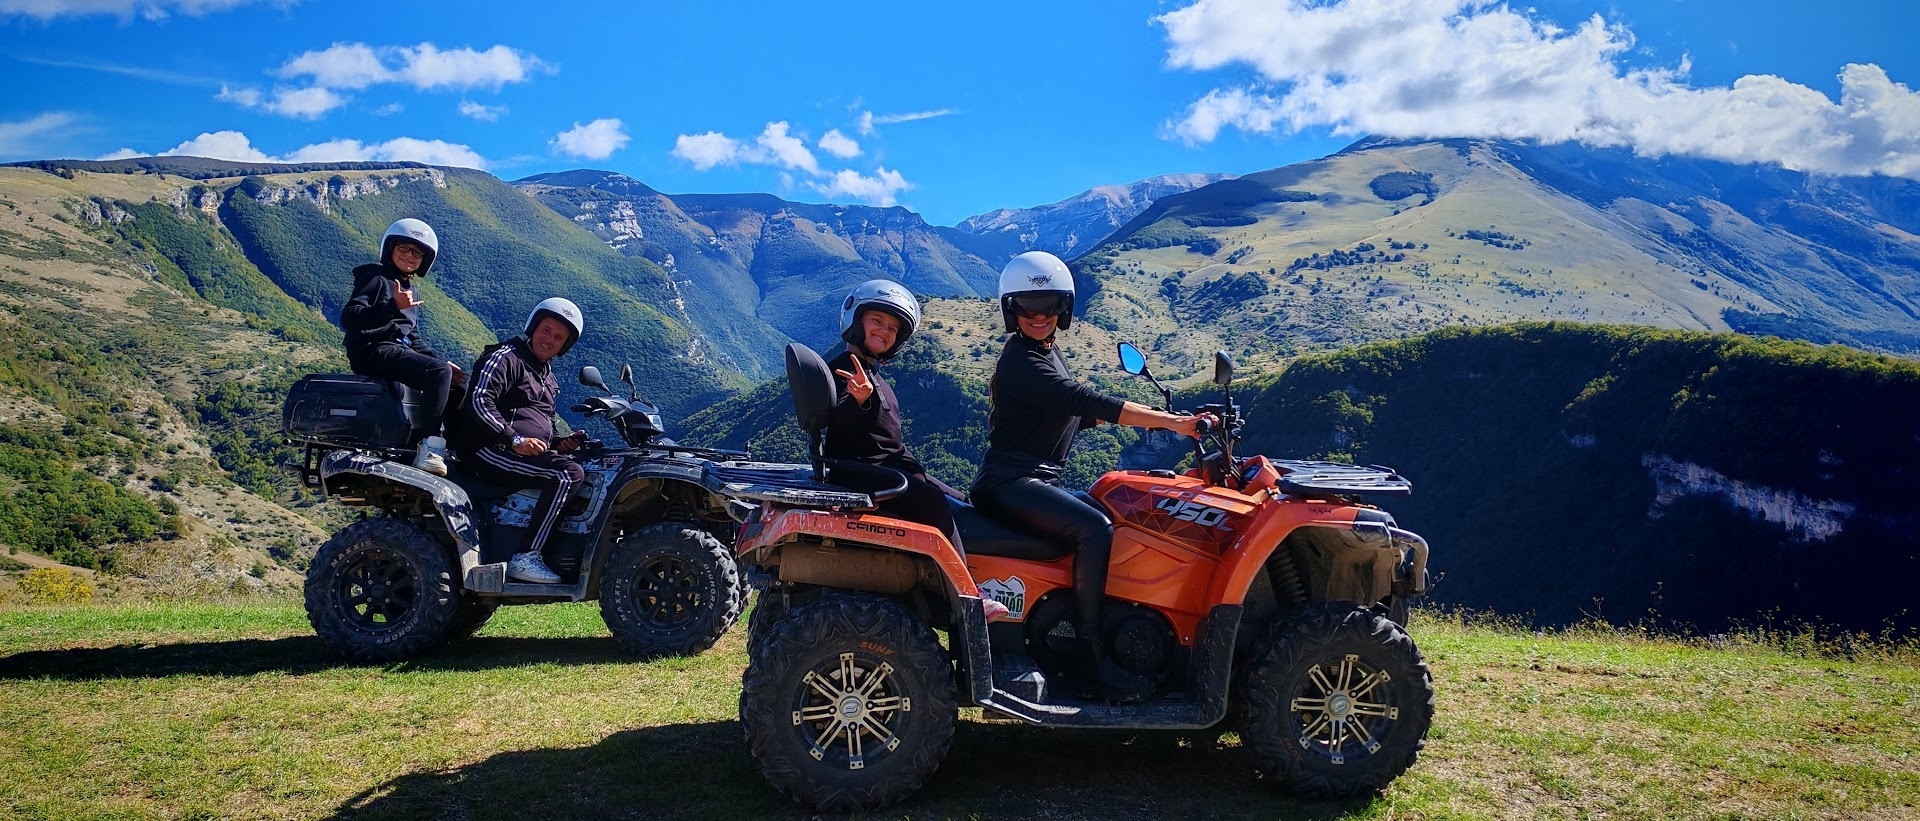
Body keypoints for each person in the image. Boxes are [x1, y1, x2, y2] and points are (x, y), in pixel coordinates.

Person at [970, 251, 1203, 697]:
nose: (1040, 316)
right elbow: (1083, 400)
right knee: (1095, 528)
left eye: (1050, 305)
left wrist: (1157, 421)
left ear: (1065, 309)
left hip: (1034, 480)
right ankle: (1090, 654)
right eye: (1027, 307)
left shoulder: (1046, 351)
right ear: (1011, 310)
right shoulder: (1022, 361)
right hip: (1010, 483)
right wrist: (1172, 423)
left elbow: (1070, 415)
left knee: (1113, 512)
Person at [825, 280, 1009, 622]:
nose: (885, 331)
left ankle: (947, 580)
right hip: (861, 469)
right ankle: (967, 596)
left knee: (959, 500)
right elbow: (838, 421)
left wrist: (921, 473)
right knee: (933, 501)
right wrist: (860, 401)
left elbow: (887, 439)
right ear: (856, 321)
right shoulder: (846, 368)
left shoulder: (868, 370)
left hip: (884, 466)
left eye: (893, 328)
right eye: (877, 320)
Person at [454, 298, 589, 584]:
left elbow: (543, 424)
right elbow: (479, 401)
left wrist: (560, 443)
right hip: (487, 448)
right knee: (567, 474)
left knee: (583, 465)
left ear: (564, 346)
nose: (549, 339)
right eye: (546, 330)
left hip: (517, 451)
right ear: (533, 327)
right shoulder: (506, 357)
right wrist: (513, 440)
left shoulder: (546, 375)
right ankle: (526, 557)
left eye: (558, 337)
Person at [341, 218, 463, 476]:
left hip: (395, 351)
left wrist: (441, 360)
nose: (409, 255)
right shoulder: (375, 278)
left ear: (424, 261)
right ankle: (430, 448)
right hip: (371, 349)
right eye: (403, 248)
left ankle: (453, 448)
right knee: (438, 372)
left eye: (417, 253)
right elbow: (350, 318)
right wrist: (391, 306)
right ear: (390, 249)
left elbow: (412, 337)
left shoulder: (410, 291)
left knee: (456, 382)